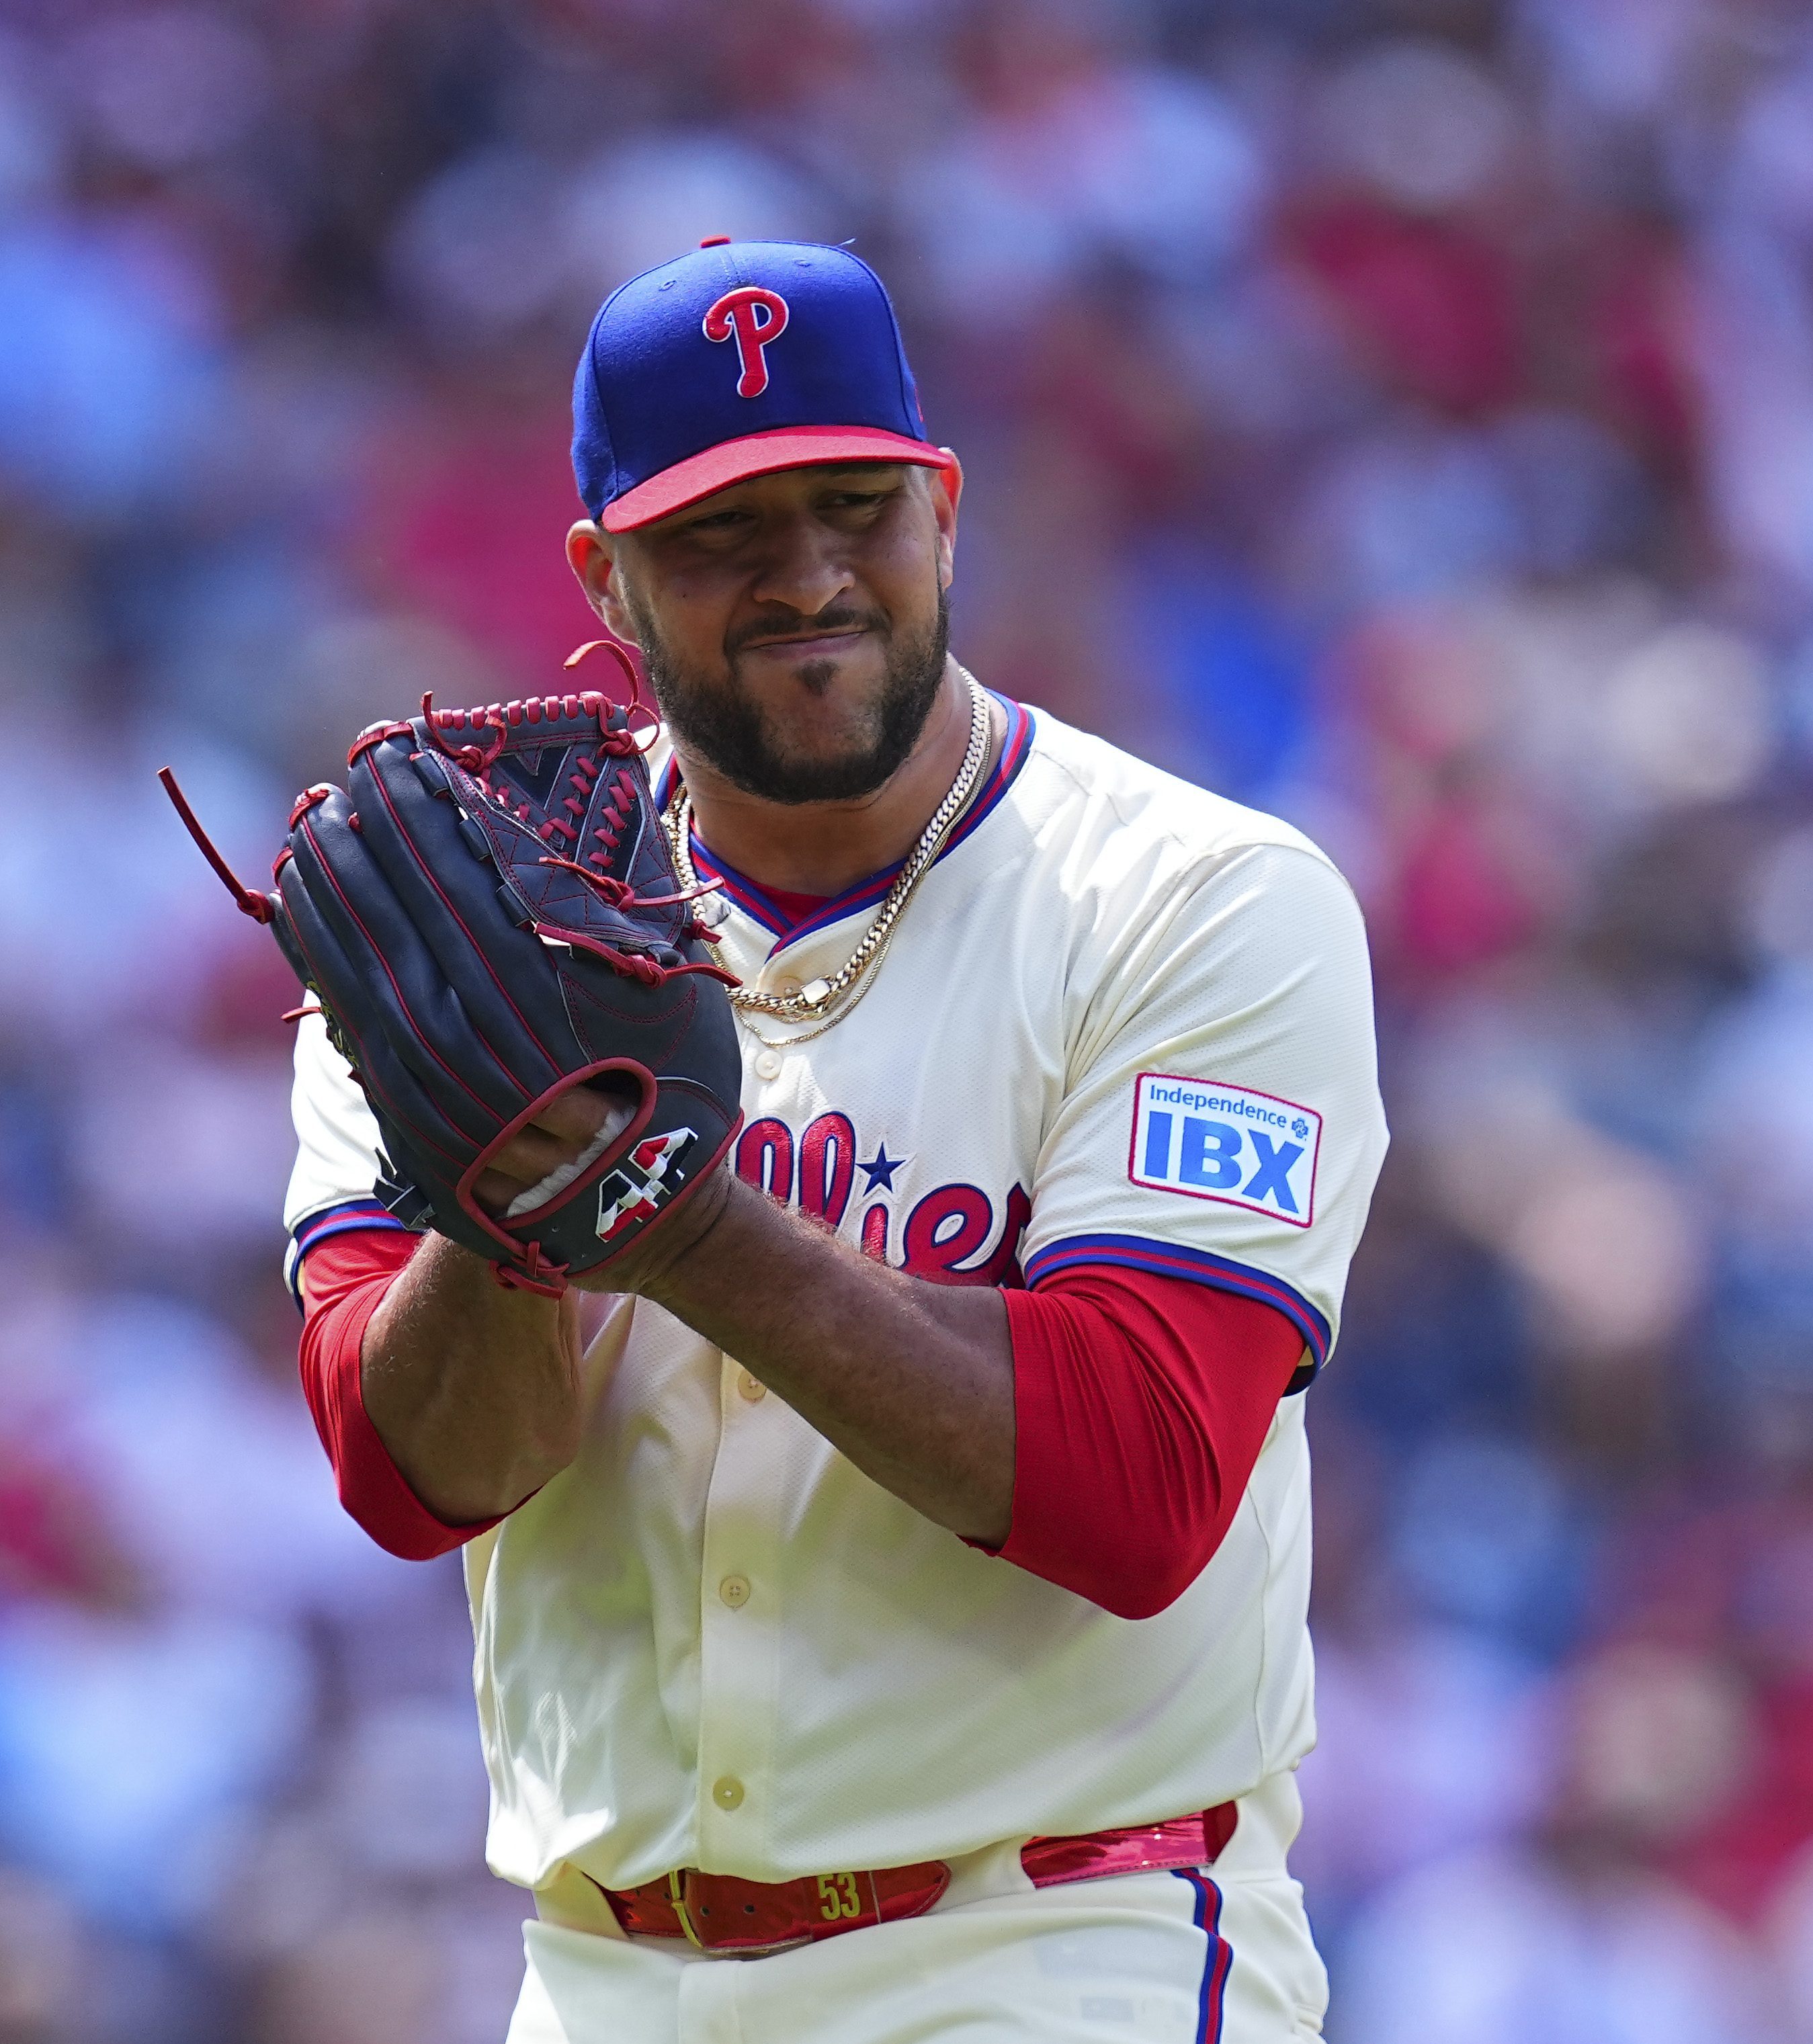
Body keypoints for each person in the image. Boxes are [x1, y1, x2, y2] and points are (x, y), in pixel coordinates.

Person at [281, 239, 1388, 2041]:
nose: (809, 577)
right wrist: (503, 1211)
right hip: (606, 1973)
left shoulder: (1194, 903)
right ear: (607, 577)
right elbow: (417, 1479)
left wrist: (669, 1220)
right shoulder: (459, 922)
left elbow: (1138, 1484)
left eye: (855, 508)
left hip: (1049, 1946)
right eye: (724, 537)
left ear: (944, 514)